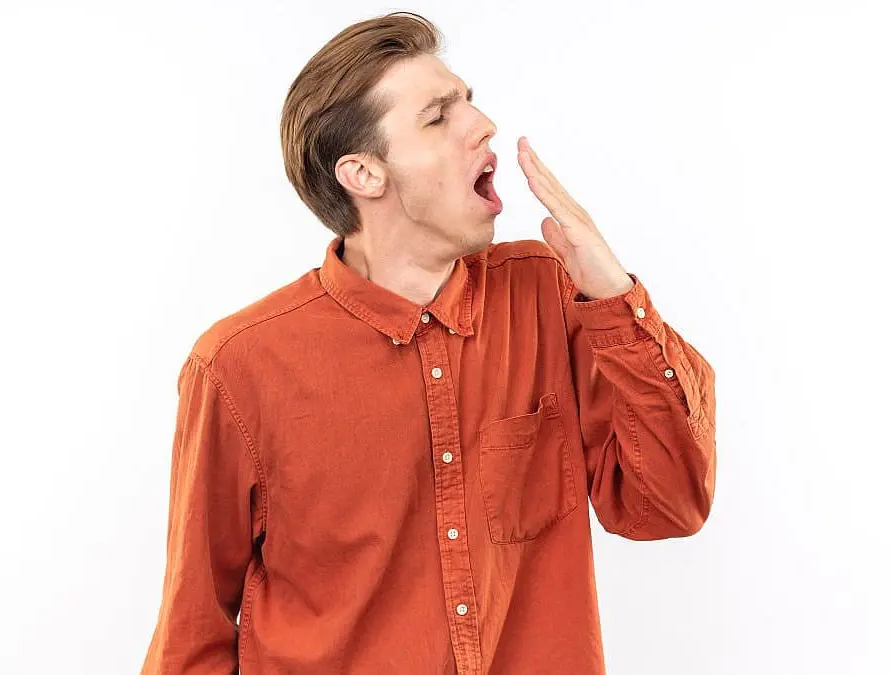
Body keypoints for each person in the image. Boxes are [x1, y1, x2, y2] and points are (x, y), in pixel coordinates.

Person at [140, 11, 716, 675]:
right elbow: (191, 638)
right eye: (439, 116)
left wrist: (614, 297)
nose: (483, 124)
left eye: (467, 102)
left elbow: (669, 503)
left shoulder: (552, 294)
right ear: (364, 174)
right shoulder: (239, 366)